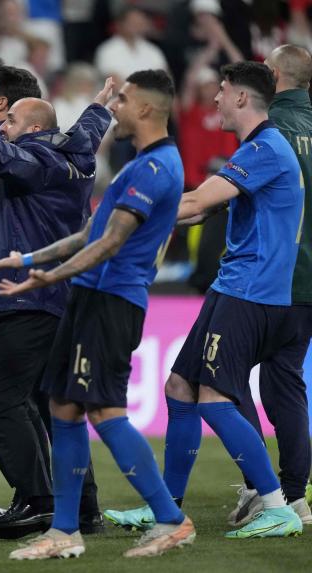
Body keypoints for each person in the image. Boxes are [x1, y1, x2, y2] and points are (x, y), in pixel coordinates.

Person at [0, 69, 193, 560]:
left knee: (104, 411)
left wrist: (46, 279)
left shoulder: (154, 170)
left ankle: (171, 519)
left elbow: (111, 242)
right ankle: (66, 530)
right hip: (90, 297)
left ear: (144, 109)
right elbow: (89, 233)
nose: (113, 108)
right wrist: (26, 259)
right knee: (64, 408)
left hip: (113, 300)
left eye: (122, 100)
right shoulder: (138, 165)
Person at [105, 62, 305, 542]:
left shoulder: (265, 148)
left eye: (221, 91)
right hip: (234, 286)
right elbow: (202, 210)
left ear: (241, 98)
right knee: (179, 387)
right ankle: (167, 508)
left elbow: (194, 204)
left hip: (251, 292)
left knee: (215, 397)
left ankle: (278, 506)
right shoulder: (255, 151)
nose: (214, 100)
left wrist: (123, 221)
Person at [0, 62, 113, 540]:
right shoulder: (66, 153)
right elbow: (83, 133)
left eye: (10, 120)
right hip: (30, 297)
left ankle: (40, 500)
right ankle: (81, 507)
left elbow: (17, 162)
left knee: (7, 402)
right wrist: (100, 108)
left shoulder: (35, 161)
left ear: (32, 127)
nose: (3, 127)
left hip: (20, 298)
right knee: (38, 402)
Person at [227, 44, 312, 526]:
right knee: (287, 385)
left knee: (222, 378)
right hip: (308, 287)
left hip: (268, 278)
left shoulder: (267, 131)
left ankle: (264, 488)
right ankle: (296, 496)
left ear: (272, 74)